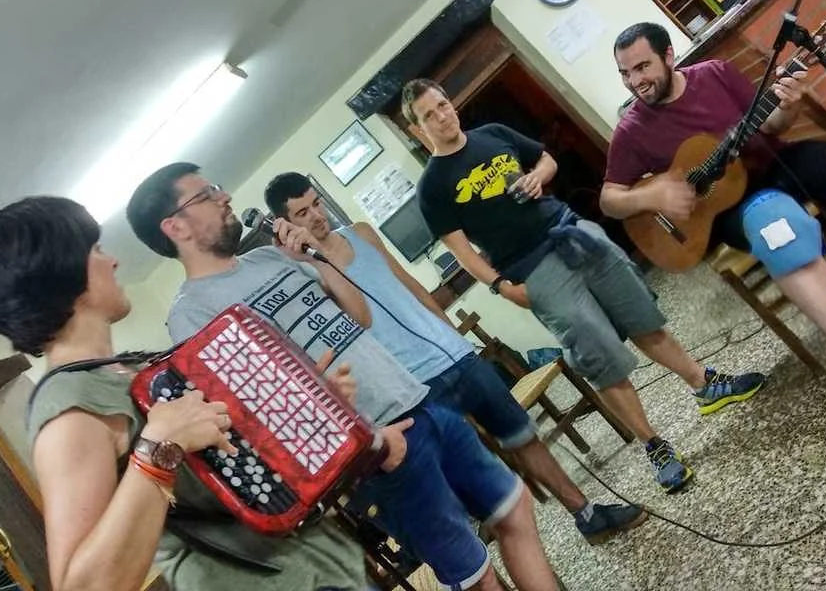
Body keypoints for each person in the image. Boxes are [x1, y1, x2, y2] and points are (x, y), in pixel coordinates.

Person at [127, 163, 560, 591]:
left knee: (514, 508)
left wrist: (315, 255)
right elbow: (253, 418)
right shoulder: (192, 313)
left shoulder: (268, 257)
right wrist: (369, 444)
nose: (224, 197)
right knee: (474, 575)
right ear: (175, 226)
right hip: (375, 449)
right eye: (207, 194)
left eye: (218, 187)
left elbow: (359, 315)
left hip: (414, 398)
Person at [0, 196, 368, 591]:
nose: (112, 261)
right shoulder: (68, 408)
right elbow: (83, 585)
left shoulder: (130, 370)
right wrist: (160, 447)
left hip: (320, 568)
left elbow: (226, 475)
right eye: (95, 250)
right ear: (60, 276)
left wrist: (303, 411)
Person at [406, 78, 766, 494]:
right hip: (533, 269)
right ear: (418, 129)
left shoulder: (493, 134)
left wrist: (537, 176)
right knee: (598, 357)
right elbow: (463, 253)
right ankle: (655, 446)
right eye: (428, 116)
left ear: (450, 102)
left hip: (574, 232)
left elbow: (546, 160)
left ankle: (705, 385)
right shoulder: (432, 188)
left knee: (643, 318)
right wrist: (503, 287)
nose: (441, 117)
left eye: (442, 105)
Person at [262, 171, 647, 543]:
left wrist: (452, 335)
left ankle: (587, 514)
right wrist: (310, 260)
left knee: (523, 436)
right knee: (472, 470)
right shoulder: (305, 277)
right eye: (302, 213)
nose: (316, 216)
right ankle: (508, 547)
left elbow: (411, 286)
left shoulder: (361, 233)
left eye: (317, 204)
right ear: (286, 224)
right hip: (413, 386)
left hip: (453, 355)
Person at [602, 21, 826, 401]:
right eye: (625, 73)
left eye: (642, 67)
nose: (635, 82)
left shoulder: (714, 74)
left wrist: (789, 104)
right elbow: (609, 200)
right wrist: (652, 196)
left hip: (778, 163)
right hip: (733, 207)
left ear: (668, 56)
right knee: (782, 235)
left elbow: (774, 124)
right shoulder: (632, 130)